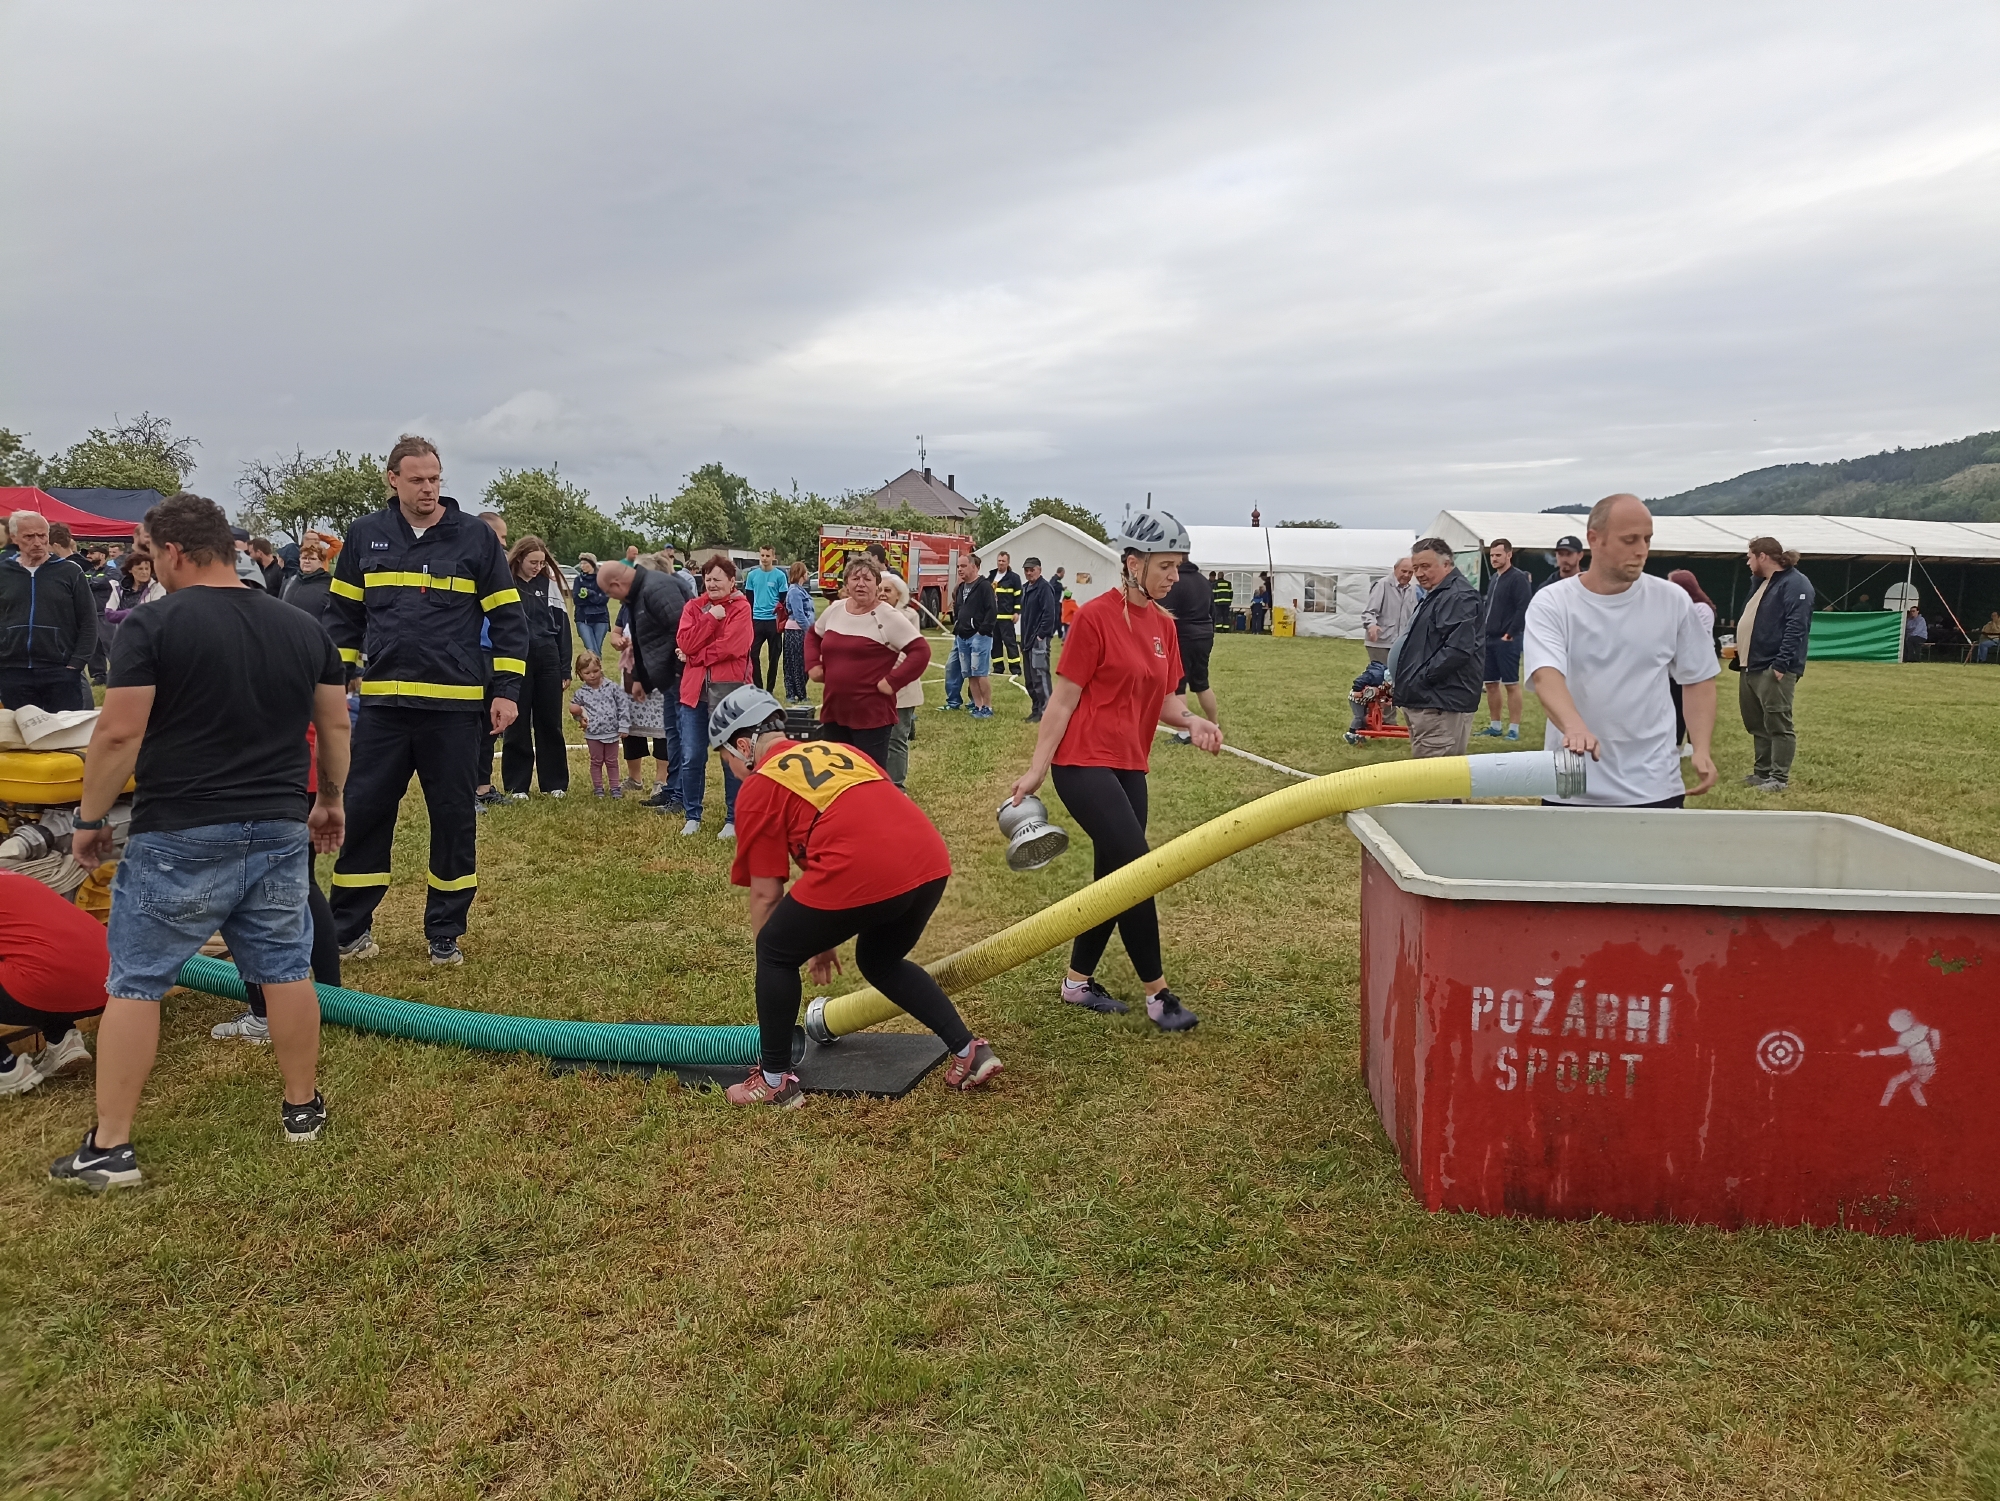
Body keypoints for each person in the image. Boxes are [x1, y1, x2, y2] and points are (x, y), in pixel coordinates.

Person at [49, 492, 350, 1190]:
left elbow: (118, 733)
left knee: (136, 981)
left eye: (150, 553)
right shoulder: (302, 626)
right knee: (286, 969)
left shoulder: (152, 624)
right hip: (278, 823)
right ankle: (302, 1108)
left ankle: (110, 1147)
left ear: (174, 551)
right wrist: (330, 800)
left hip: (179, 829)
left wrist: (89, 819)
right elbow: (335, 726)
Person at [712, 687, 1002, 1107]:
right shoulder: (841, 751)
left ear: (743, 746)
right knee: (880, 961)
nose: (733, 773)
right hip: (928, 860)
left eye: (727, 762)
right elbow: (848, 828)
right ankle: (968, 1050)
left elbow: (766, 893)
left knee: (773, 951)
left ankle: (774, 1080)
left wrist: (773, 963)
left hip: (864, 869)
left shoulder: (761, 784)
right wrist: (820, 937)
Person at [1007, 511, 1222, 1032]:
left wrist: (1193, 721)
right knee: (1137, 869)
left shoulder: (1164, 626)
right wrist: (1036, 769)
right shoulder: (1094, 618)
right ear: (1133, 563)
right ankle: (1158, 995)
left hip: (1130, 765)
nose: (1174, 576)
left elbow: (1167, 700)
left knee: (1112, 875)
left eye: (1177, 566)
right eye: (1165, 566)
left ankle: (1077, 982)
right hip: (1082, 762)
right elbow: (1062, 701)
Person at [326, 435, 528, 967]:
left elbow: (509, 620)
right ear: (393, 479)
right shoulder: (365, 535)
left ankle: (445, 931)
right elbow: (342, 617)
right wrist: (338, 680)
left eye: (435, 479)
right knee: (365, 813)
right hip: (384, 709)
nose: (428, 489)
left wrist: (506, 691)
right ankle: (348, 930)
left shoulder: (475, 538)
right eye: (417, 480)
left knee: (454, 819)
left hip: (454, 711)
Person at [1523, 494, 1719, 808]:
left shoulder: (1672, 600)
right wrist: (1573, 726)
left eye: (1647, 539)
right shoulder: (1553, 602)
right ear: (1594, 539)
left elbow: (1697, 678)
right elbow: (1546, 674)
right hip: (1572, 782)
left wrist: (1702, 748)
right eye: (1629, 540)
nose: (1641, 550)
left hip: (1655, 785)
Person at [805, 557, 930, 769]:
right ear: (846, 583)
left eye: (867, 579)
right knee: (835, 774)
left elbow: (920, 651)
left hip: (871, 716)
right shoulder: (835, 609)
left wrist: (892, 682)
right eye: (855, 578)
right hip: (834, 711)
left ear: (877, 584)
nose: (861, 584)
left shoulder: (888, 616)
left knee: (867, 775)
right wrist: (813, 665)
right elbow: (813, 635)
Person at [0, 872, 107, 1098]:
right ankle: (63, 1041)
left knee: (32, 966)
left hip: (53, 986)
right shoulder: (12, 877)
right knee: (28, 954)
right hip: (111, 980)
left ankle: (6, 1070)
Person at [598, 558, 694, 810]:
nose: (612, 598)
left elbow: (683, 631)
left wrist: (676, 672)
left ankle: (682, 796)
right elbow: (642, 639)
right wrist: (640, 678)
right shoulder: (638, 593)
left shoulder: (657, 588)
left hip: (680, 676)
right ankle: (671, 790)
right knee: (672, 734)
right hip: (667, 679)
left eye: (609, 592)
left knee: (681, 735)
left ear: (617, 584)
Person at [675, 555, 754, 837]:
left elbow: (733, 646)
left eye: (718, 579)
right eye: (708, 579)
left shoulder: (742, 608)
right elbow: (684, 641)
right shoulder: (694, 607)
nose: (712, 584)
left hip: (729, 694)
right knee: (692, 756)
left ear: (732, 582)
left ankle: (733, 819)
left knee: (731, 757)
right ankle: (692, 816)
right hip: (694, 695)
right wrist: (710, 618)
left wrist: (695, 657)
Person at [1733, 536, 1814, 792]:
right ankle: (1762, 773)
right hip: (1751, 664)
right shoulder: (1762, 583)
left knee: (1778, 722)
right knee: (1757, 723)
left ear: (1763, 556)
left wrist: (1781, 663)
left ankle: (1779, 779)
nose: (1747, 562)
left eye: (1750, 557)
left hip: (1773, 666)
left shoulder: (1795, 583)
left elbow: (1796, 624)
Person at [1392, 538, 1484, 762]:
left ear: (1447, 564)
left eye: (1425, 566)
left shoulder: (1457, 596)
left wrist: (1420, 679)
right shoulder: (1438, 593)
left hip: (1439, 703)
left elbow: (1457, 649)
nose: (1419, 574)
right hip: (1429, 700)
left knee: (1432, 777)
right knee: (1435, 773)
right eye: (1416, 568)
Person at [0, 509, 97, 711]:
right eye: (29, 537)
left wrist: (76, 664)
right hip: (13, 671)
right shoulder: (4, 572)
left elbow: (88, 620)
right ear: (14, 538)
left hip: (60, 670)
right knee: (19, 731)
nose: (37, 542)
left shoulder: (70, 572)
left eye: (42, 536)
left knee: (65, 730)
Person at [500, 535, 574, 799]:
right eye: (533, 562)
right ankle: (517, 785)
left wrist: (565, 668)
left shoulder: (549, 585)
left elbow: (563, 627)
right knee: (517, 723)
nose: (538, 567)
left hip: (548, 657)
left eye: (542, 563)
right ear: (520, 558)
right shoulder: (506, 583)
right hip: (516, 659)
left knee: (550, 722)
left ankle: (554, 783)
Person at [472, 510, 510, 811]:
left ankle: (483, 787)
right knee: (468, 727)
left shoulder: (500, 569)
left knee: (490, 725)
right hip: (471, 656)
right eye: (501, 537)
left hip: (495, 654)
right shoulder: (467, 565)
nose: (505, 544)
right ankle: (466, 791)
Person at [1479, 539, 1532, 740]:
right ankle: (1495, 726)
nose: (1494, 558)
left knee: (1511, 683)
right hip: (1489, 639)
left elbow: (1523, 607)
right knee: (1491, 683)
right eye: (1492, 555)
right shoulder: (1494, 578)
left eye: (1498, 555)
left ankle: (1514, 729)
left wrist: (1509, 634)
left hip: (1508, 639)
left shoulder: (1518, 578)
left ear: (1509, 555)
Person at [877, 572, 925, 786]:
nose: (882, 594)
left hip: (901, 688)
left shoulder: (910, 616)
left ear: (899, 594)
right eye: (879, 590)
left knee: (896, 739)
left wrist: (886, 673)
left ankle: (897, 786)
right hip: (873, 688)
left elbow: (909, 653)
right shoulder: (869, 616)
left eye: (887, 590)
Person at [1162, 555, 1218, 731]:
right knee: (1202, 683)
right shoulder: (1203, 581)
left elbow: (1165, 612)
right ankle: (1214, 723)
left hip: (1183, 636)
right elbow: (1212, 610)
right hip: (1205, 635)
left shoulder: (1174, 582)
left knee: (1178, 686)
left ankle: (1183, 732)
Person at [1666, 569, 1717, 754]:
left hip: (1695, 666)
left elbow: (1693, 637)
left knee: (1691, 707)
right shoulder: (1673, 608)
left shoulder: (1701, 608)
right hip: (1674, 666)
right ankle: (1676, 744)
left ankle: (1692, 746)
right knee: (1675, 706)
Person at [568, 650, 631, 796]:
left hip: (612, 732)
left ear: (600, 668)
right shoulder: (580, 693)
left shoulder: (612, 687)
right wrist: (580, 719)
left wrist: (623, 725)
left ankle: (615, 787)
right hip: (593, 734)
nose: (592, 675)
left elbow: (623, 706)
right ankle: (598, 788)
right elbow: (575, 710)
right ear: (579, 674)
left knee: (612, 761)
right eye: (587, 672)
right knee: (596, 761)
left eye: (595, 671)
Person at [943, 552, 996, 717]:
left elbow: (992, 611)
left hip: (979, 637)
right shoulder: (960, 588)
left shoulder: (984, 586)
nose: (960, 569)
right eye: (958, 566)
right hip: (962, 637)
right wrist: (958, 627)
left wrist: (982, 631)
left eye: (963, 566)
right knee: (970, 674)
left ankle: (987, 706)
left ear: (974, 567)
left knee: (980, 673)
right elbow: (958, 610)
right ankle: (978, 706)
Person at [1018, 556, 1062, 722]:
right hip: (1027, 640)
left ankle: (1047, 712)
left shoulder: (1045, 588)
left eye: (1032, 570)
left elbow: (1049, 615)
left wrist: (1041, 635)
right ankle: (1036, 710)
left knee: (1040, 676)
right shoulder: (1025, 588)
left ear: (1039, 570)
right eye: (1027, 570)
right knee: (1030, 679)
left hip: (1038, 640)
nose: (1029, 573)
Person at [742, 544, 787, 694]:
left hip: (773, 621)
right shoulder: (752, 575)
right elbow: (749, 599)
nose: (765, 558)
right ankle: (759, 688)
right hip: (757, 620)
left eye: (768, 556)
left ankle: (770, 689)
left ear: (773, 557)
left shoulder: (780, 576)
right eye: (762, 555)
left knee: (774, 657)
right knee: (753, 654)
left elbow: (783, 599)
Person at [1362, 557, 1417, 666]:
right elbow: (1369, 612)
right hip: (1380, 642)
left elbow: (1413, 616)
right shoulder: (1382, 585)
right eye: (1403, 571)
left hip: (1400, 644)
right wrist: (1371, 625)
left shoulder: (1412, 589)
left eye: (1410, 572)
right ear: (1395, 569)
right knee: (1381, 673)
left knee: (1396, 675)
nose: (1406, 575)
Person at [781, 561, 816, 702]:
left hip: (799, 630)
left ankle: (796, 693)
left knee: (799, 663)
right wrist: (810, 631)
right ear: (801, 573)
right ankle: (797, 694)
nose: (807, 574)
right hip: (796, 631)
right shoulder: (795, 591)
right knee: (796, 664)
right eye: (806, 571)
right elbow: (799, 614)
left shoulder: (800, 590)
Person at [282, 537, 334, 624]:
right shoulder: (290, 582)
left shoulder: (330, 586)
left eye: (312, 559)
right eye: (304, 558)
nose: (307, 561)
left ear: (321, 562)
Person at [988, 551, 1023, 679]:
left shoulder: (1014, 578)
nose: (1001, 563)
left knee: (1010, 643)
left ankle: (1015, 669)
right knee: (995, 643)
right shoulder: (992, 576)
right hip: (993, 618)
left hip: (1007, 617)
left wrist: (1017, 612)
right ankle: (998, 668)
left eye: (1003, 561)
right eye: (999, 561)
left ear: (1008, 562)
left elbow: (1018, 596)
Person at [571, 553, 611, 659]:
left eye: (585, 563)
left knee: (597, 650)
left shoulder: (602, 579)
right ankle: (597, 668)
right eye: (581, 563)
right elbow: (577, 600)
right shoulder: (578, 580)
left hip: (600, 618)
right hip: (583, 619)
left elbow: (604, 599)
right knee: (591, 650)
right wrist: (594, 598)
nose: (582, 566)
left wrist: (590, 594)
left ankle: (596, 669)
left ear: (592, 564)